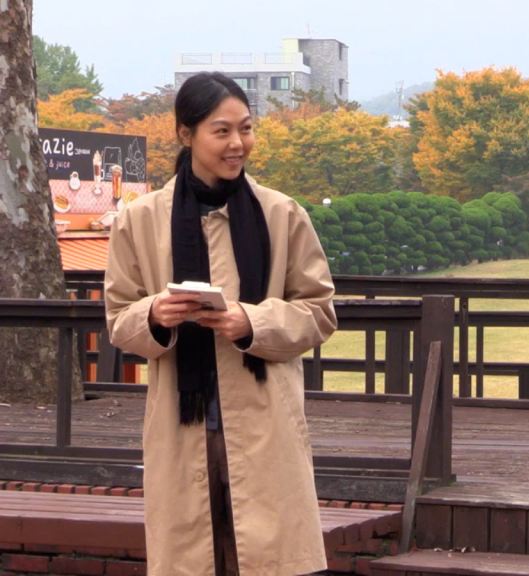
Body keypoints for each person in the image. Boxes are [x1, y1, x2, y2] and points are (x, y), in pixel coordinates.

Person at [104, 72, 338, 576]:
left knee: (269, 558)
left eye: (246, 129)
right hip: (181, 419)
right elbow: (119, 318)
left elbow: (319, 311)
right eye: (222, 131)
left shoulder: (281, 213)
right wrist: (154, 315)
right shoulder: (140, 219)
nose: (238, 144)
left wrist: (250, 320)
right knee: (192, 557)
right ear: (185, 134)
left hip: (264, 419)